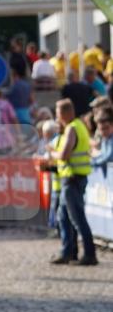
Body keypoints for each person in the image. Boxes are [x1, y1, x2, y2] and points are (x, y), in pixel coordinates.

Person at [47, 98, 97, 266]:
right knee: (64, 217)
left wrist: (52, 154)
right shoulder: (79, 125)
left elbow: (64, 155)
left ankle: (89, 254)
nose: (57, 117)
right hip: (73, 178)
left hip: (72, 178)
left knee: (77, 218)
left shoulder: (72, 128)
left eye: (58, 113)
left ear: (65, 113)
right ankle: (68, 252)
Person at [91, 108, 113, 172]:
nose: (104, 131)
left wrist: (93, 162)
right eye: (101, 129)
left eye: (106, 128)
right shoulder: (105, 139)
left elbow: (108, 158)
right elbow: (103, 155)